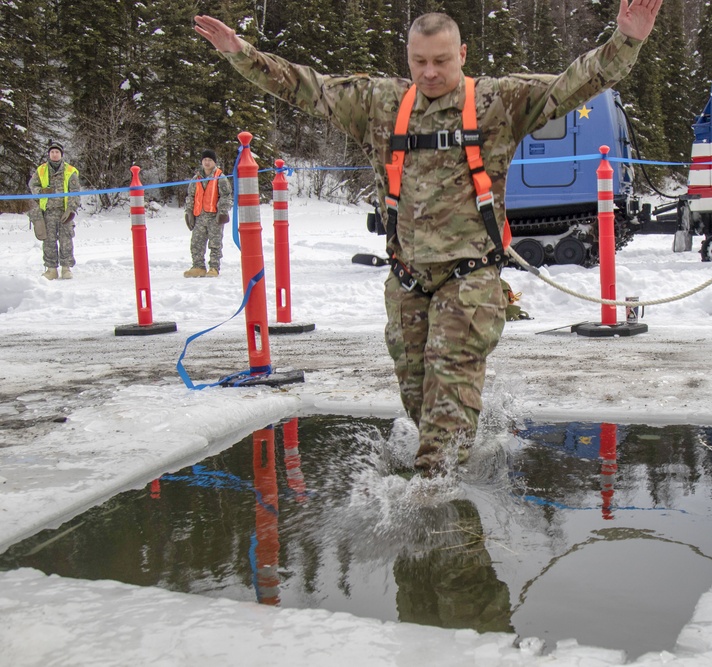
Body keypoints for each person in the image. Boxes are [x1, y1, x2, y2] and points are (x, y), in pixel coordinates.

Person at [194, 0, 662, 473]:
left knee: (444, 419)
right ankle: (462, 458)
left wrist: (628, 39)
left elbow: (575, 84)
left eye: (441, 61)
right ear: (408, 58)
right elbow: (303, 86)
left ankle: (434, 504)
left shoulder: (497, 102)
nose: (431, 72)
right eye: (420, 62)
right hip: (407, 280)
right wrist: (239, 51)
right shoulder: (379, 102)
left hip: (472, 278)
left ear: (462, 53)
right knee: (419, 402)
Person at [28, 141, 81, 280]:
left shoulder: (70, 171)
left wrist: (71, 209)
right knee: (49, 241)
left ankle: (66, 268)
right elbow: (32, 186)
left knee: (66, 240)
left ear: (61, 154)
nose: (54, 154)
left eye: (57, 152)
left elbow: (75, 192)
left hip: (65, 212)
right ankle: (51, 269)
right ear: (49, 154)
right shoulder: (41, 170)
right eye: (52, 152)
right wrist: (41, 191)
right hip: (48, 212)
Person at [183, 149, 232, 278]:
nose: (207, 162)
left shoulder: (220, 177)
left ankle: (214, 267)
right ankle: (198, 266)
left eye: (210, 160)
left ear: (214, 162)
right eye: (205, 160)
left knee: (215, 243)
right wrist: (189, 212)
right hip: (199, 216)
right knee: (196, 243)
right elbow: (190, 196)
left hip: (214, 217)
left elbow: (226, 196)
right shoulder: (196, 178)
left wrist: (222, 212)